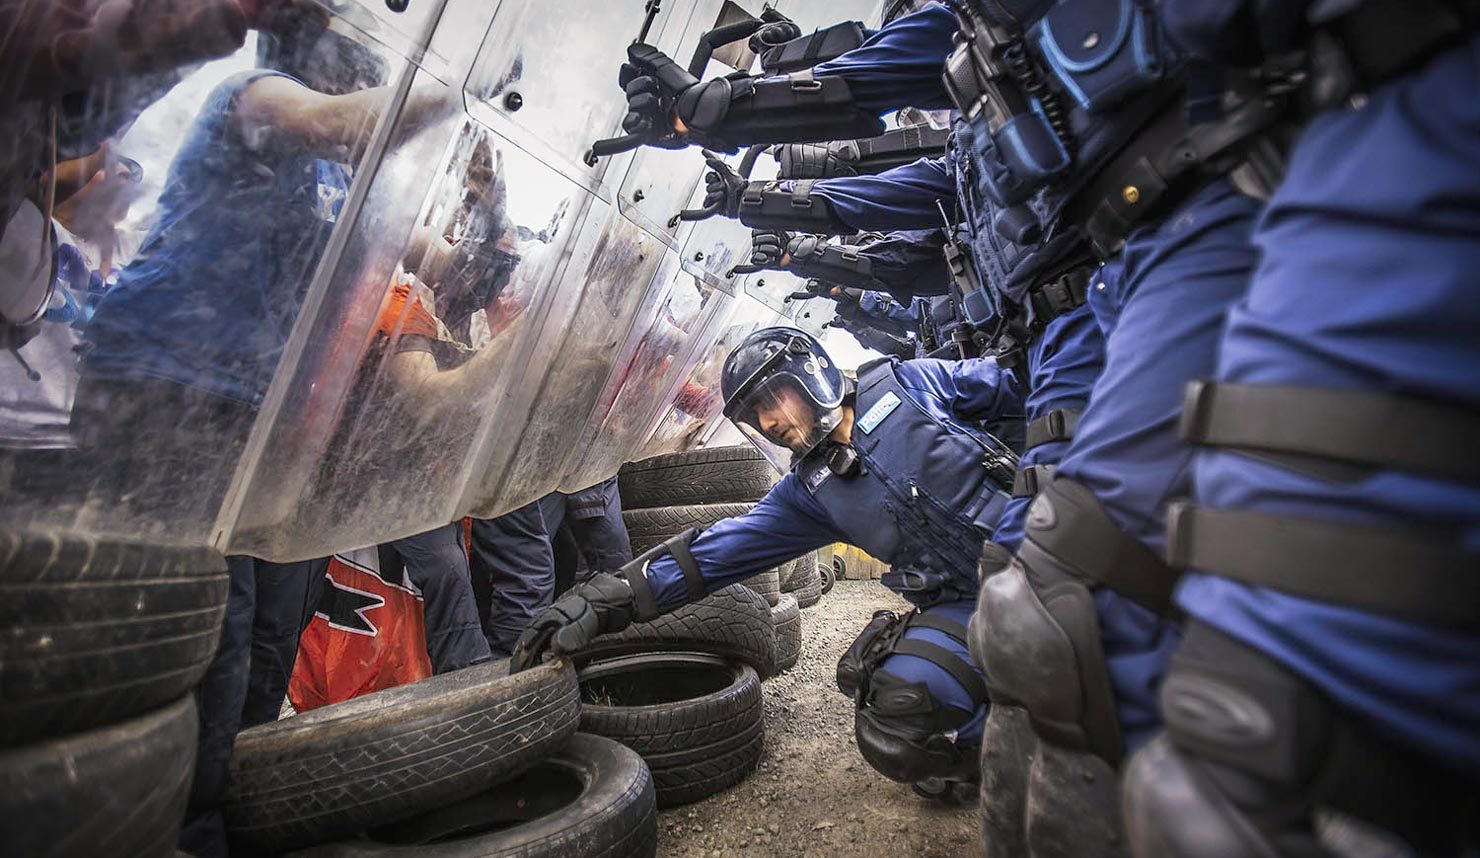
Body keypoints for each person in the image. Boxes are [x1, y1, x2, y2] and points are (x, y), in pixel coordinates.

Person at [1118, 4, 1480, 856]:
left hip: (1380, 128)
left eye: (780, 400)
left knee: (1267, 761)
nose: (774, 422)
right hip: (1301, 163)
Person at [511, 325, 1023, 802]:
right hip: (969, 605)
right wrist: (605, 600)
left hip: (1056, 547)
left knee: (1073, 654)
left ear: (813, 372)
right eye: (753, 415)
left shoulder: (912, 384)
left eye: (771, 399)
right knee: (901, 722)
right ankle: (1027, 742)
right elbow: (713, 553)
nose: (768, 422)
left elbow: (1029, 389)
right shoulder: (811, 492)